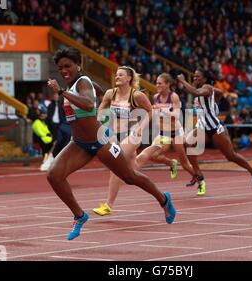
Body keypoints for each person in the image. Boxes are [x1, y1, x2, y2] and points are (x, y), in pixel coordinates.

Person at [46, 48, 175, 240]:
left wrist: (62, 92)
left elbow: (89, 104)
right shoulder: (80, 85)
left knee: (130, 176)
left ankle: (164, 200)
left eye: (68, 66)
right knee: (53, 175)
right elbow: (97, 92)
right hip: (79, 143)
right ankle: (80, 216)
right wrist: (103, 94)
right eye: (60, 67)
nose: (64, 70)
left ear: (78, 65)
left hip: (100, 141)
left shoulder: (82, 82)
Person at [92, 66, 174, 216]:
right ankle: (156, 145)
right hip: (116, 135)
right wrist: (99, 122)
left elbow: (150, 110)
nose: (117, 77)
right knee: (132, 170)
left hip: (133, 134)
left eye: (121, 75)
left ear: (129, 78)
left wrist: (141, 127)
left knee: (116, 163)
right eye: (116, 75)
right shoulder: (111, 93)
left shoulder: (136, 95)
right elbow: (101, 109)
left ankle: (108, 205)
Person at [177, 70, 252, 196]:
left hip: (214, 127)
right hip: (202, 127)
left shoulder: (207, 88)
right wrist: (214, 101)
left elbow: (195, 92)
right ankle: (198, 174)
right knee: (188, 143)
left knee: (230, 156)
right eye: (194, 76)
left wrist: (183, 80)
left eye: (197, 76)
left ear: (205, 79)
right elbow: (220, 93)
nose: (195, 78)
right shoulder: (201, 87)